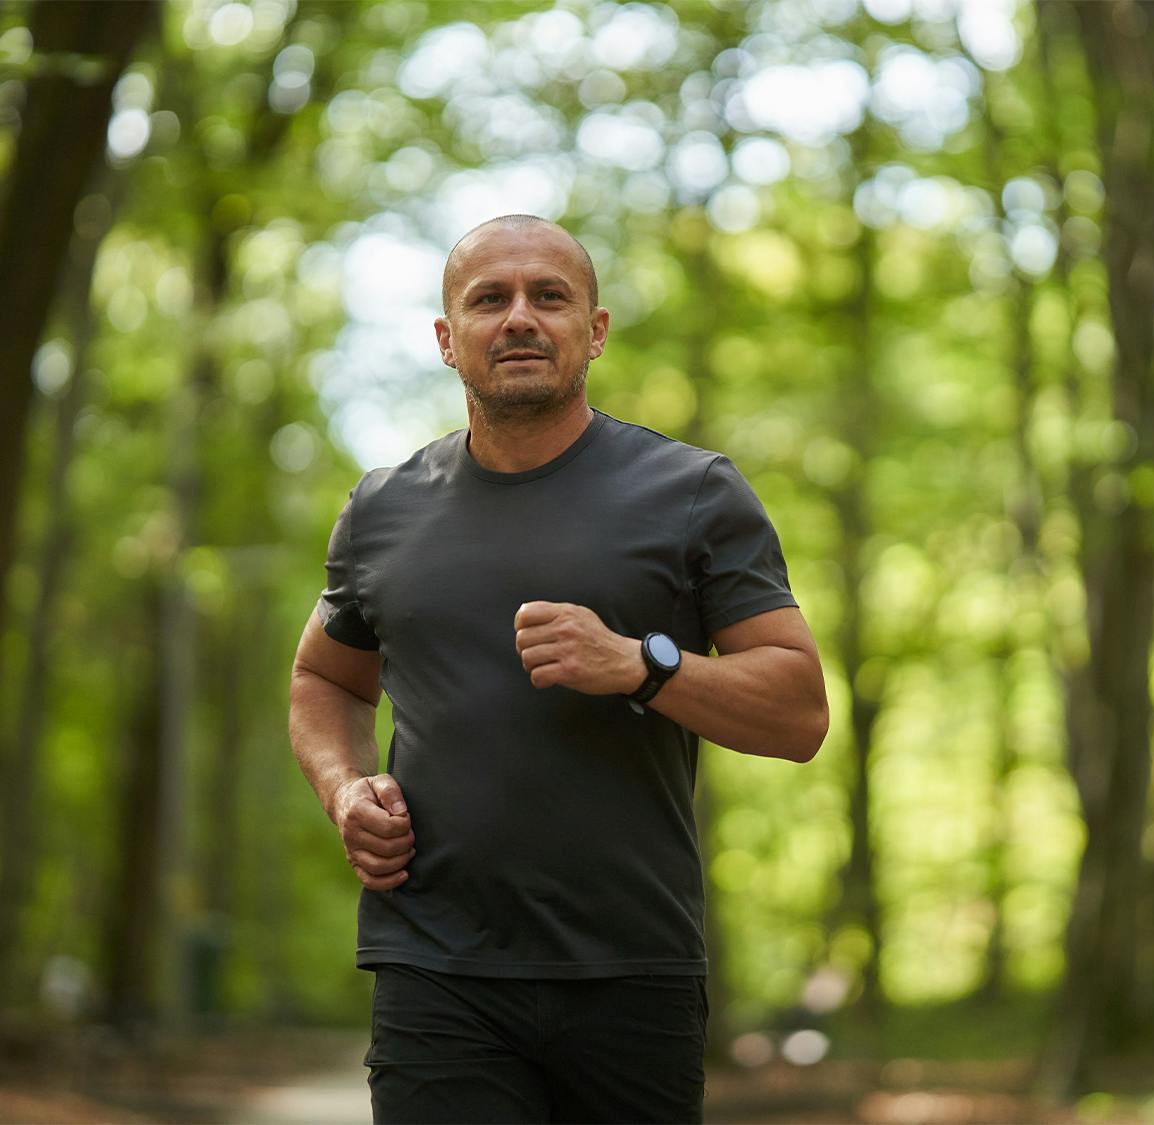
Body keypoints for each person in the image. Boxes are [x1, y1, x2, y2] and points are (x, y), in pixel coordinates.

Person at [288, 214, 829, 1124]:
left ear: (596, 329)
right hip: (436, 963)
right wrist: (345, 788)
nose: (519, 318)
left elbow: (800, 712)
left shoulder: (692, 491)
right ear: (446, 338)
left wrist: (641, 664)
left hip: (634, 969)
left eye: (549, 296)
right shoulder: (381, 508)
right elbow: (325, 679)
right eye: (488, 299)